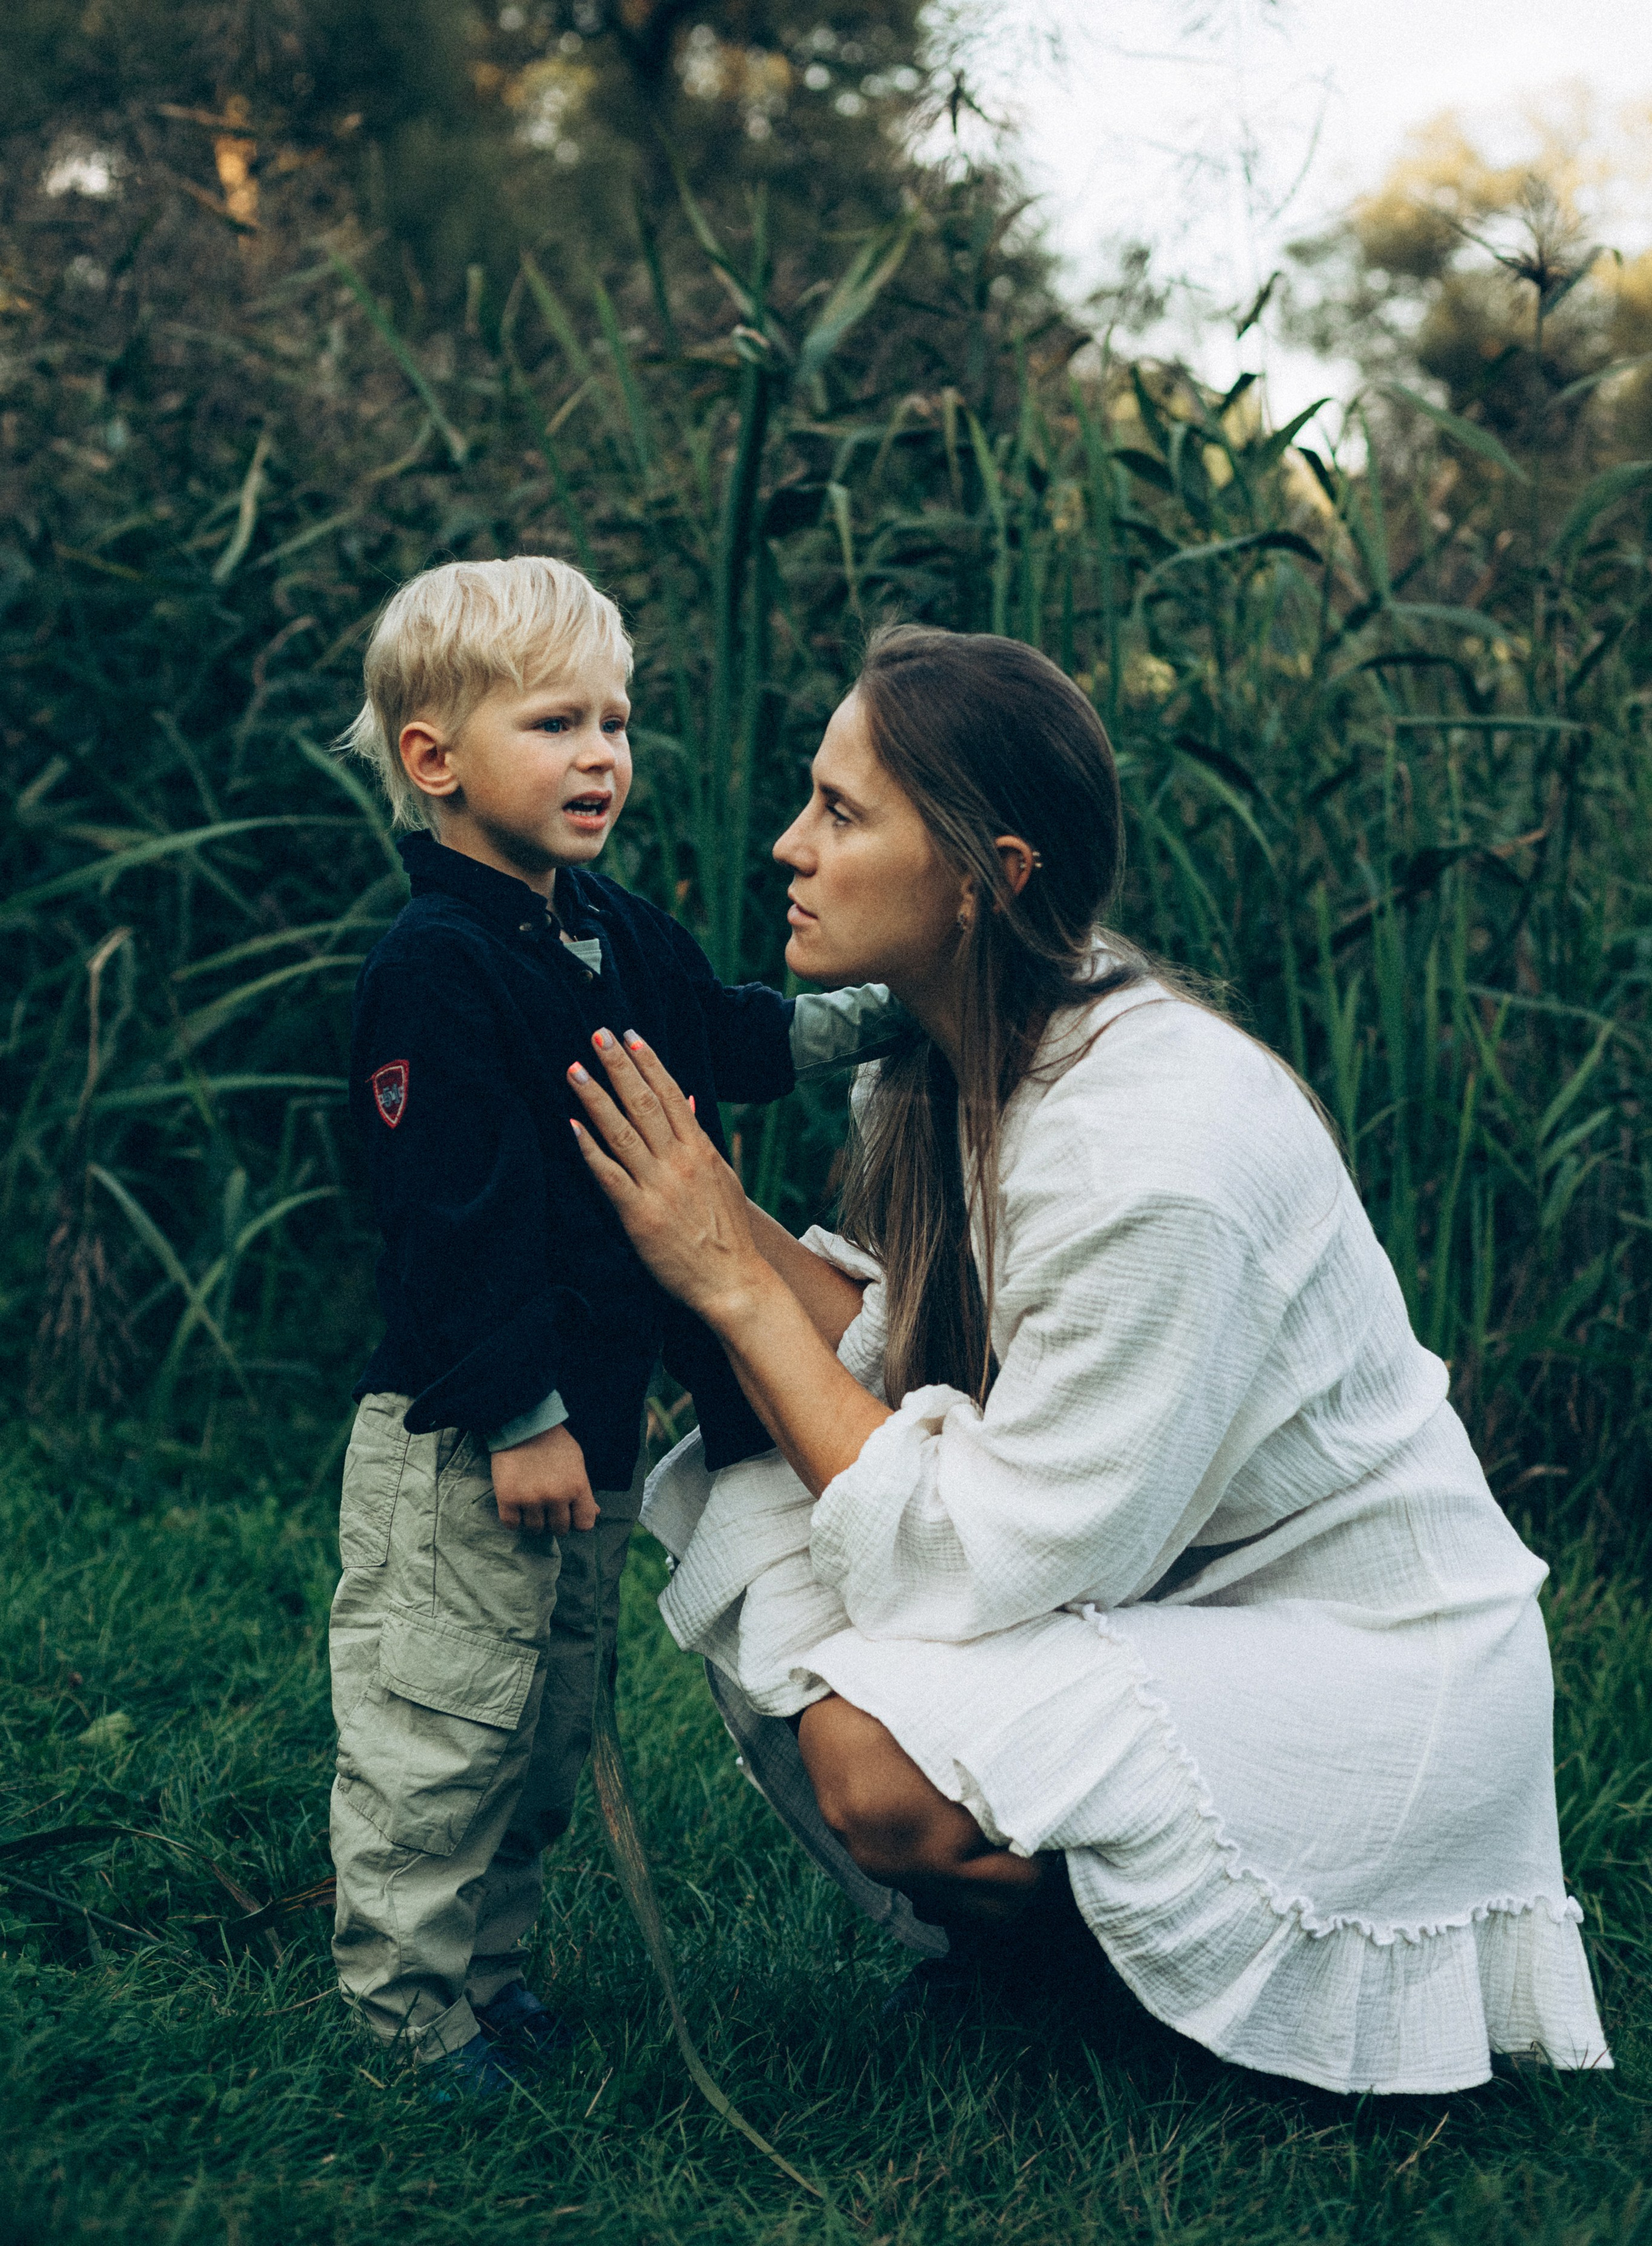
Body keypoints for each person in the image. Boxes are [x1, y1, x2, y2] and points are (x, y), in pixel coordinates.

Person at [565, 622, 1613, 2097]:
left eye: (842, 814)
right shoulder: (944, 1048)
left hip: (1371, 1664)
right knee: (767, 1494)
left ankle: (1125, 1991)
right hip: (1171, 1585)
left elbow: (974, 1554)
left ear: (986, 877)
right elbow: (891, 1348)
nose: (788, 846)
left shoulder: (1151, 1156)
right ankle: (1058, 1969)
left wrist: (732, 1287)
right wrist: (694, 1200)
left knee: (880, 1766)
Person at [326, 556, 903, 2095]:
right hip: (474, 1438)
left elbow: (727, 1030)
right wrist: (516, 1415)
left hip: (585, 1436)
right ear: (434, 760)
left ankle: (490, 1975)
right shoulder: (436, 970)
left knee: (541, 1723)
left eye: (615, 723)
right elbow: (449, 1221)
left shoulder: (606, 928)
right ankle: (406, 2013)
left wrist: (885, 1006)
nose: (601, 757)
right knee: (442, 1721)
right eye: (554, 725)